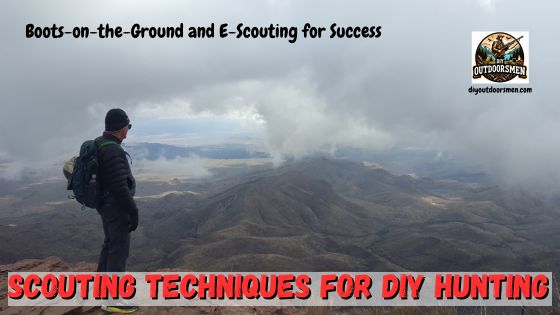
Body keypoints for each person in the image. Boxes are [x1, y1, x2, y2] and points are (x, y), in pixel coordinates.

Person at [95, 108, 139, 314]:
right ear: (121, 128)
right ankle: (113, 300)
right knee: (118, 251)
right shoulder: (112, 150)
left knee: (110, 245)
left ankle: (102, 291)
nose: (128, 131)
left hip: (105, 206)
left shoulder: (100, 143)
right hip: (116, 207)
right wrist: (133, 211)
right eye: (127, 127)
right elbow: (119, 187)